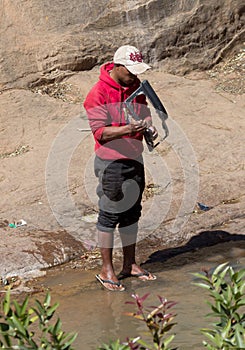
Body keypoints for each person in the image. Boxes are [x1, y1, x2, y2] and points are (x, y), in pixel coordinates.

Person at [84, 45, 157, 291]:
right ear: (118, 67)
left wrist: (148, 126)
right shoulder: (98, 93)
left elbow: (144, 113)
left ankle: (130, 264)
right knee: (110, 213)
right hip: (111, 162)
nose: (134, 76)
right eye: (131, 71)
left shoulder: (136, 87)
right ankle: (106, 270)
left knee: (132, 213)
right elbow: (100, 133)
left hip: (135, 159)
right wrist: (128, 129)